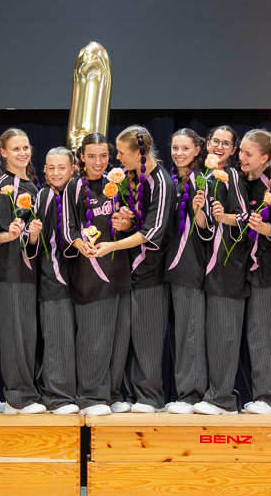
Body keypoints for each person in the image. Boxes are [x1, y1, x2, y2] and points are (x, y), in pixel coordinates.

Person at [94, 125, 175, 413]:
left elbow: (152, 232)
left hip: (150, 270)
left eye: (120, 152)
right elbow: (135, 221)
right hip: (126, 269)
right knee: (123, 337)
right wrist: (125, 220)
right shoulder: (130, 178)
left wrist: (112, 245)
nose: (117, 158)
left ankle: (149, 397)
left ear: (139, 153)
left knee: (147, 335)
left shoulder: (162, 182)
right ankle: (118, 394)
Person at [62, 133, 132, 416]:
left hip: (118, 267)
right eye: (91, 156)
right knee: (93, 337)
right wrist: (80, 243)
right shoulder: (74, 186)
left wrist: (125, 223)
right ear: (81, 157)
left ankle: (111, 394)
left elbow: (129, 222)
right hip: (89, 271)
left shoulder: (116, 183)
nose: (98, 161)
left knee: (118, 336)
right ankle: (91, 397)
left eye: (104, 155)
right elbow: (67, 226)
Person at [0, 128, 45, 414]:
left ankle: (27, 393)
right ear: (3, 153)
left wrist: (31, 236)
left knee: (28, 335)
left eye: (26, 147)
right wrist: (10, 235)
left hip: (31, 270)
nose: (22, 153)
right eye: (16, 148)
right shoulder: (3, 185)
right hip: (12, 270)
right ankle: (16, 399)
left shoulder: (31, 183)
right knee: (16, 334)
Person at [193, 131, 249, 416]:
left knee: (225, 334)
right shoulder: (202, 176)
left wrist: (223, 216)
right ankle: (213, 394)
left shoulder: (233, 176)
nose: (219, 146)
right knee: (211, 335)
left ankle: (224, 399)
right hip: (206, 264)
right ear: (207, 145)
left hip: (228, 263)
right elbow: (203, 227)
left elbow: (244, 217)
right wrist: (199, 210)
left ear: (233, 150)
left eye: (226, 143)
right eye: (215, 141)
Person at [236, 130, 271, 415]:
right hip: (241, 267)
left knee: (265, 334)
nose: (241, 157)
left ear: (265, 157)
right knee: (249, 335)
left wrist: (261, 227)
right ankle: (254, 395)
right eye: (241, 152)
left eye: (248, 154)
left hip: (268, 268)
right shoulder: (239, 179)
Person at [163, 129, 209, 414]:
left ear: (197, 150)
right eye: (175, 148)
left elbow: (205, 227)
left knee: (190, 331)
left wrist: (200, 210)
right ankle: (183, 392)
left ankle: (192, 395)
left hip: (190, 264)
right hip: (170, 265)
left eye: (185, 148)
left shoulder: (200, 179)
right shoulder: (171, 179)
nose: (179, 153)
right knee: (180, 332)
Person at [36, 147, 78, 414]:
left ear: (72, 169)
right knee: (56, 339)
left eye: (61, 168)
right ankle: (56, 397)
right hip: (53, 278)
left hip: (80, 281)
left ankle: (75, 395)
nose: (55, 173)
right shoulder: (44, 196)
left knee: (74, 340)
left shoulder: (77, 193)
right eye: (50, 168)